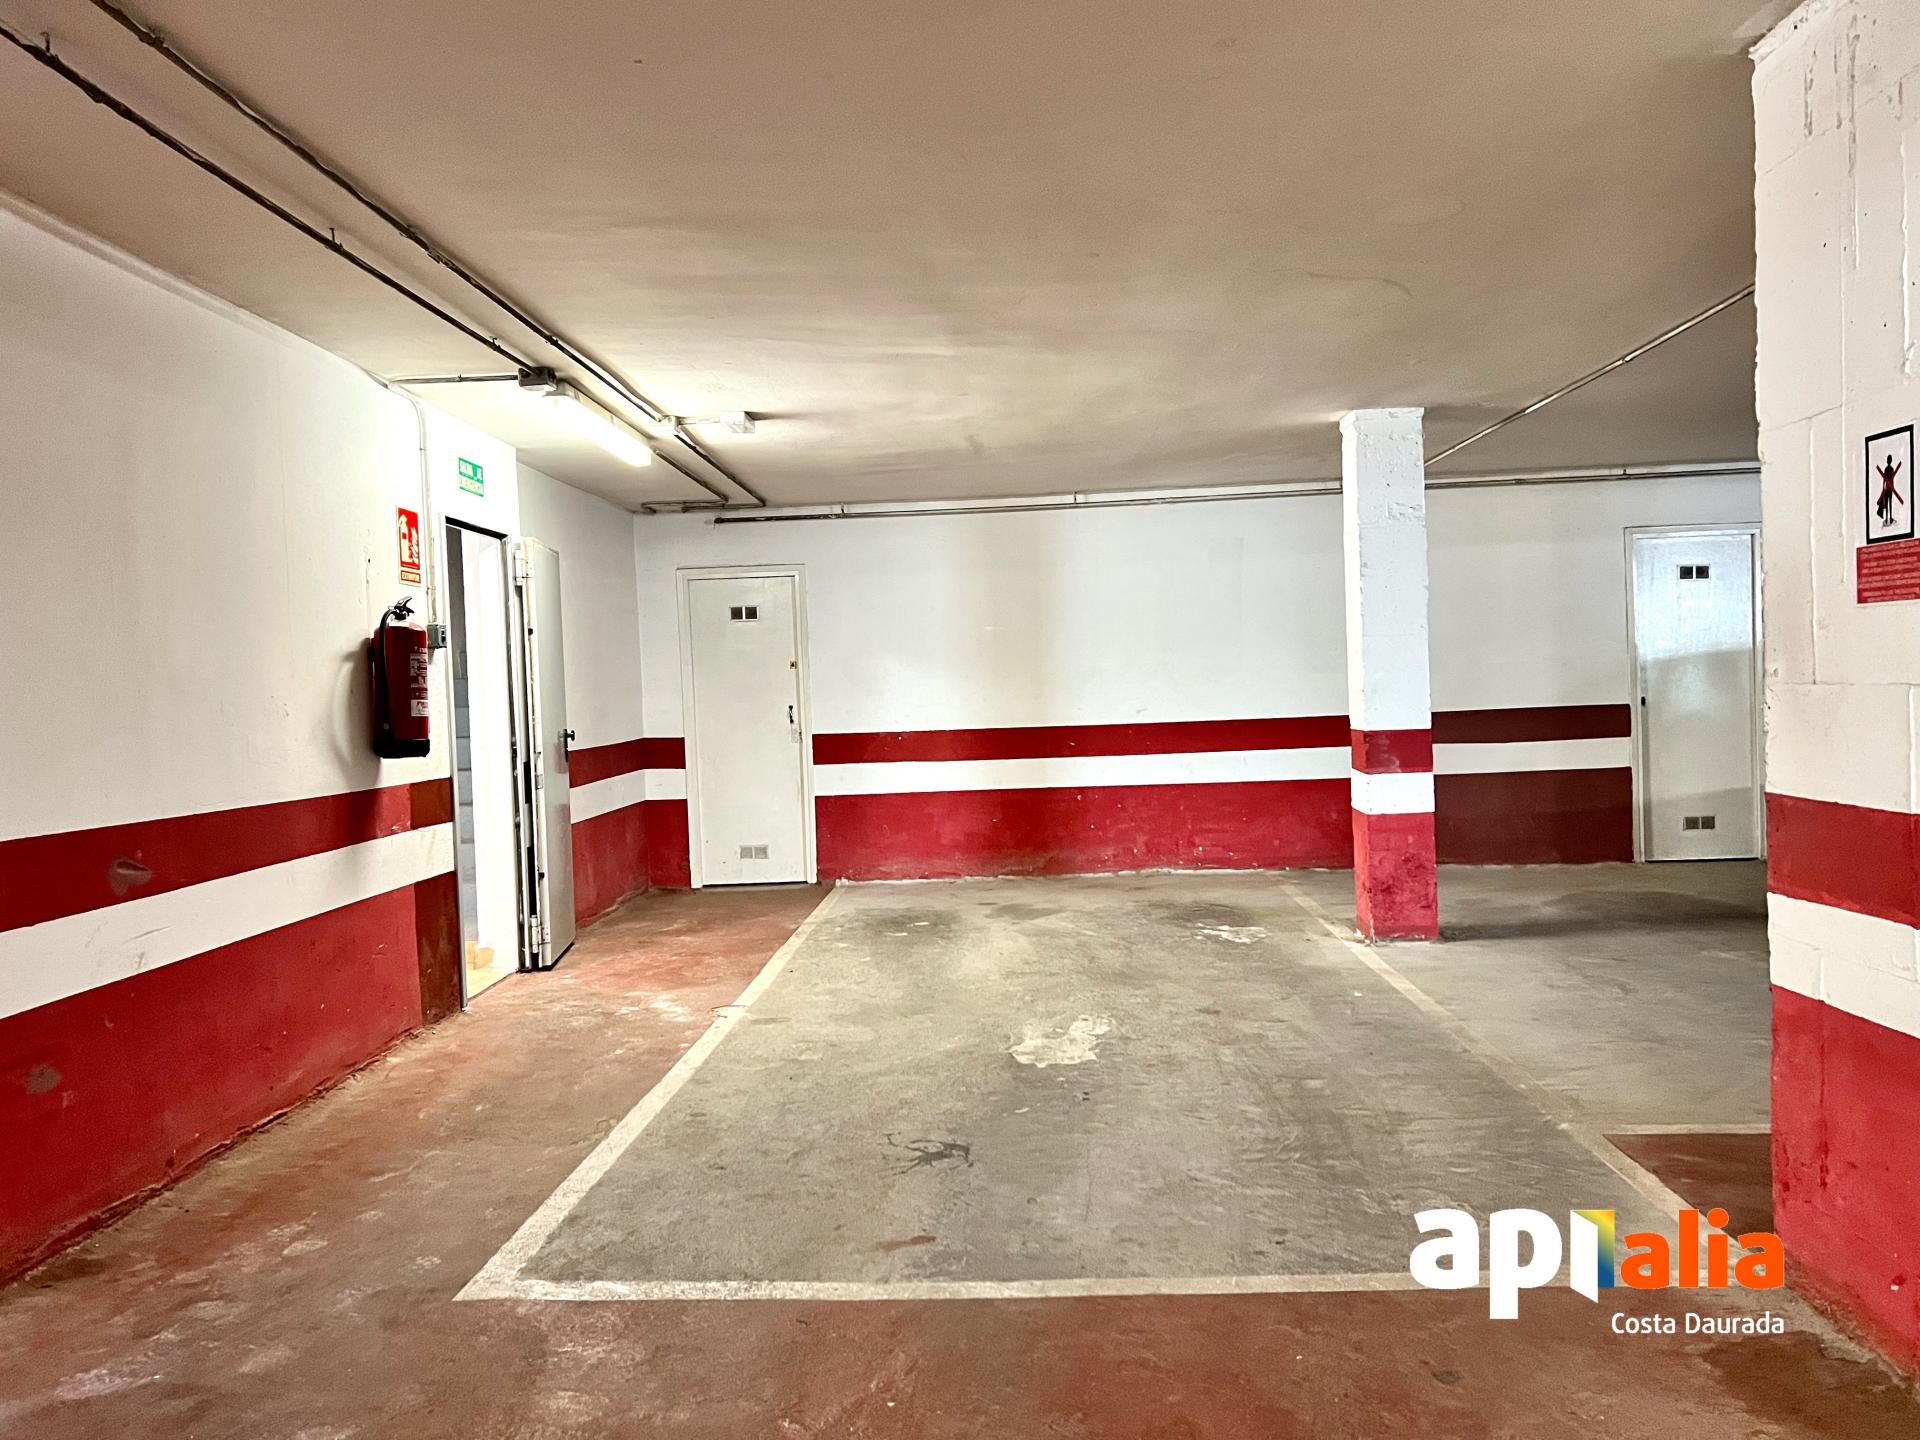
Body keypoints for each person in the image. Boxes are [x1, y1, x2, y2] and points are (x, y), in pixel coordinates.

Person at [1876, 453, 1904, 527]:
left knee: (1887, 504)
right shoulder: (1891, 469)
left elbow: (1884, 480)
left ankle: (1887, 519)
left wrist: (1884, 488)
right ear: (1890, 461)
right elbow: (1891, 479)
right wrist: (1892, 488)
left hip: (1887, 489)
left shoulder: (1886, 469)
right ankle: (1890, 518)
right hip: (1890, 489)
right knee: (1889, 503)